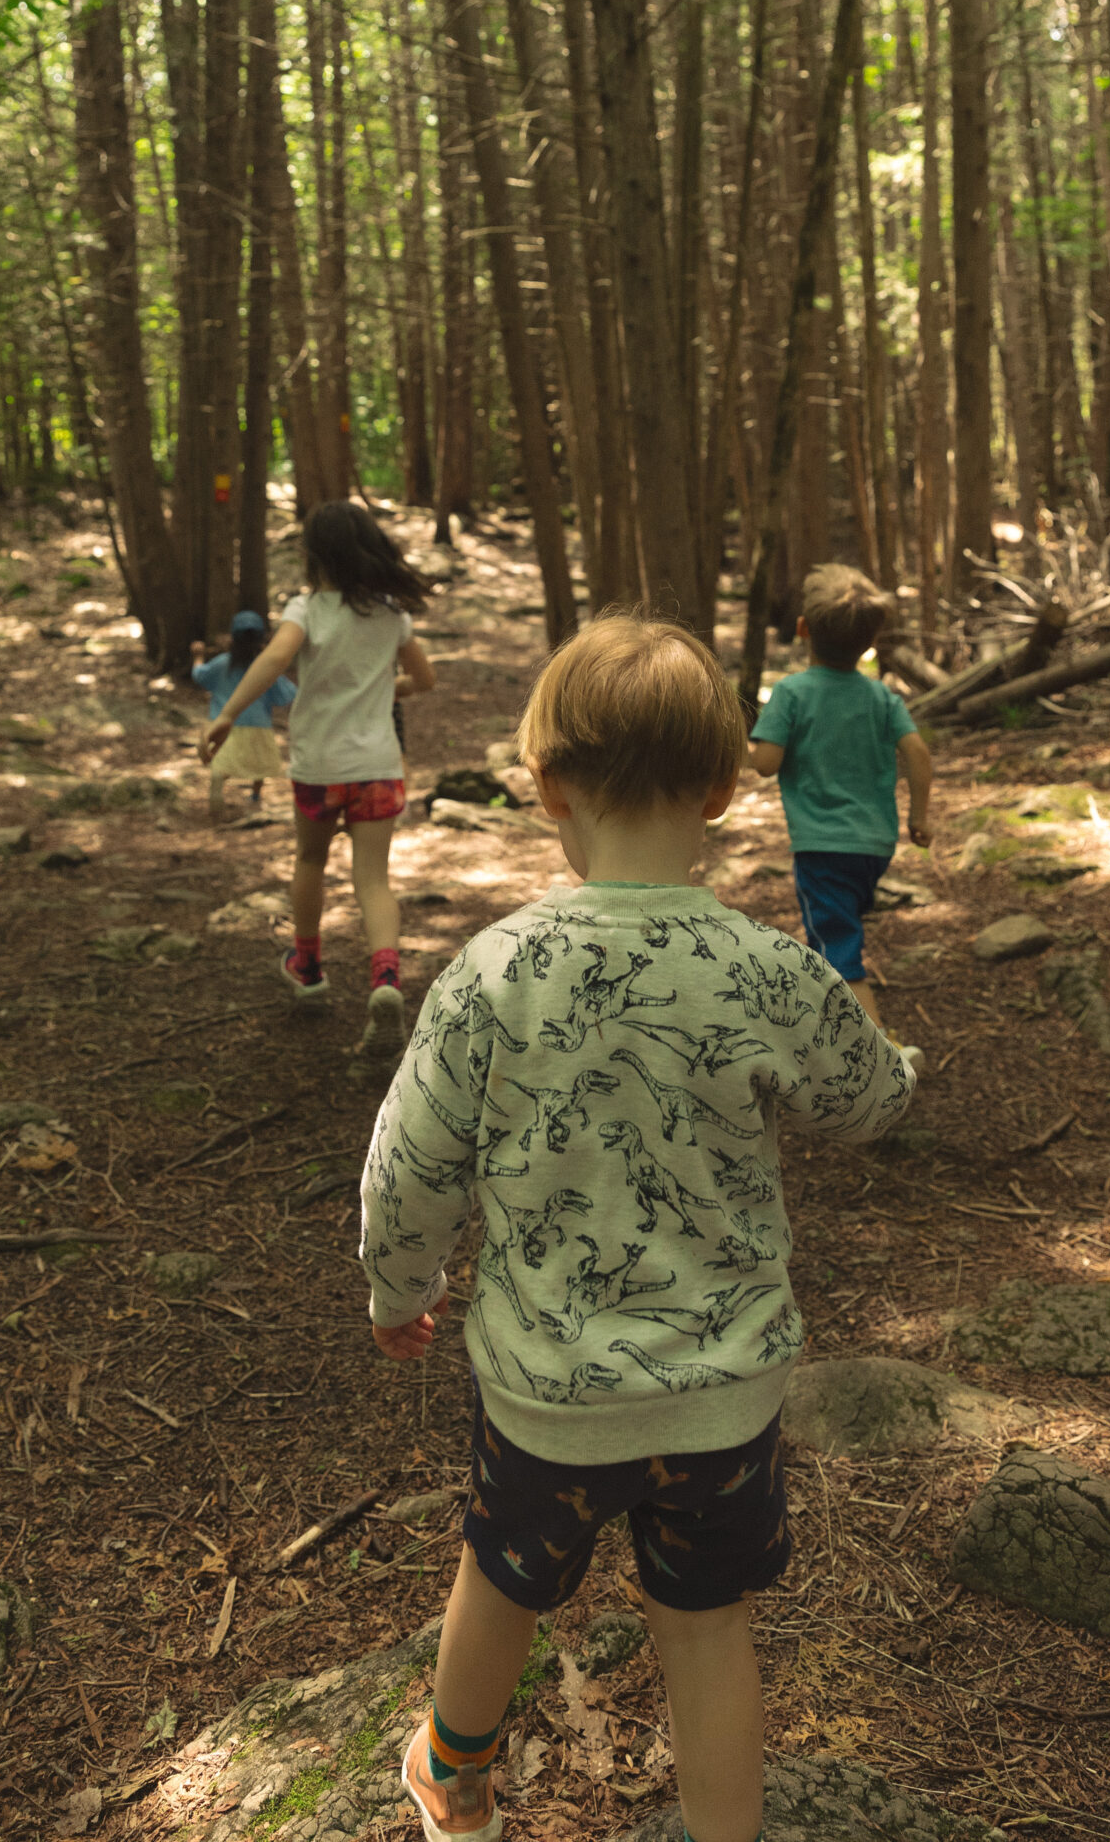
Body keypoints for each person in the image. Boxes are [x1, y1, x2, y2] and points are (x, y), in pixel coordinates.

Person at [360, 614, 915, 1842]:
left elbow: (410, 1165)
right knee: (707, 1622)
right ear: (724, 788)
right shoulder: (767, 967)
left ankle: (456, 1776)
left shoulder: (496, 972)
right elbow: (872, 1096)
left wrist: (399, 1292)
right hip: (724, 1397)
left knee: (501, 1571)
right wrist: (899, 1053)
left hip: (547, 1394)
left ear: (546, 784)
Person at [200, 502, 436, 1028]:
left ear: (314, 556)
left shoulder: (305, 610)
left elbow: (275, 659)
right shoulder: (391, 614)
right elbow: (425, 681)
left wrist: (230, 714)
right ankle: (386, 979)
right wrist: (381, 689)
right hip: (377, 765)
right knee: (374, 879)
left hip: (319, 769)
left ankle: (307, 969)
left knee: (310, 861)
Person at [745, 563, 933, 1066]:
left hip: (822, 846)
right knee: (833, 931)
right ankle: (830, 1034)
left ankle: (879, 1056)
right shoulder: (880, 696)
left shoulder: (791, 693)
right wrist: (921, 818)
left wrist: (729, 750)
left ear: (803, 629)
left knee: (837, 948)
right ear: (870, 641)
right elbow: (916, 752)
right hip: (875, 845)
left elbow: (765, 764)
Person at [191, 611, 296, 822]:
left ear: (233, 637)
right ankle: (256, 796)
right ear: (261, 639)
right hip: (259, 727)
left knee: (220, 766)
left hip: (226, 727)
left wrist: (197, 657)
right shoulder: (266, 669)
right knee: (258, 766)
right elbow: (287, 694)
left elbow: (199, 675)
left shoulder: (222, 663)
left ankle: (216, 801)